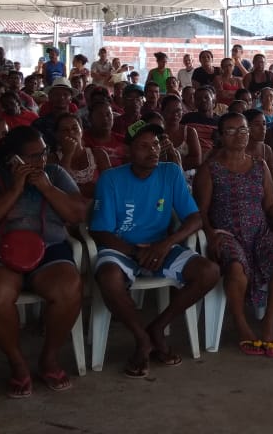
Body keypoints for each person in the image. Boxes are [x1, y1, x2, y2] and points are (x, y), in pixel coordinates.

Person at [0, 126, 88, 397]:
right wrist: (15, 189)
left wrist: (47, 188)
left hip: (49, 248)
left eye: (43, 153)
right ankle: (17, 363)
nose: (41, 161)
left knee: (69, 288)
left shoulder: (55, 174)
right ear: (13, 158)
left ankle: (49, 358)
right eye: (32, 156)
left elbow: (78, 214)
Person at [90, 123, 220, 377]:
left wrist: (165, 244)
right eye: (144, 146)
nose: (153, 150)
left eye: (156, 144)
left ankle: (158, 327)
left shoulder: (170, 172)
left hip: (161, 246)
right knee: (108, 278)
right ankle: (142, 338)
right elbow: (100, 231)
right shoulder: (111, 179)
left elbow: (194, 218)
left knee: (209, 272)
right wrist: (134, 252)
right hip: (121, 248)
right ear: (128, 151)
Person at [193, 113, 273, 357]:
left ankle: (268, 323)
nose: (239, 135)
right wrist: (211, 234)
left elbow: (270, 205)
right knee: (236, 266)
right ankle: (241, 325)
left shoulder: (259, 165)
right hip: (226, 234)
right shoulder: (210, 168)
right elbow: (200, 211)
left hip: (259, 232)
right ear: (220, 136)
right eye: (231, 131)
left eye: (243, 130)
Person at [51, 113, 110, 198]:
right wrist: (68, 154)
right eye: (65, 130)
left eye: (75, 128)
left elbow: (110, 185)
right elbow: (60, 188)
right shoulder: (52, 159)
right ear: (57, 135)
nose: (71, 133)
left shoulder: (99, 154)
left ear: (81, 131)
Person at [160, 94, 202, 170]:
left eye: (178, 110)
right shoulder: (157, 132)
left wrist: (172, 160)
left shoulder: (189, 132)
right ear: (162, 112)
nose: (175, 114)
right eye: (170, 111)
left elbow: (197, 160)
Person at [83, 101, 127, 167]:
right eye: (99, 115)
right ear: (90, 118)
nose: (105, 118)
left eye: (108, 114)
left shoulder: (123, 141)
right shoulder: (82, 140)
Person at [181, 87, 220, 153]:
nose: (203, 100)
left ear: (213, 102)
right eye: (198, 98)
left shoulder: (220, 121)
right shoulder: (188, 118)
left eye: (206, 97)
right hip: (191, 154)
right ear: (195, 103)